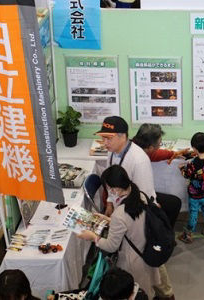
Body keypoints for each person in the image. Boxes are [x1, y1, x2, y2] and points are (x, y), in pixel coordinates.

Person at [96, 117, 175, 300]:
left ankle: (166, 294)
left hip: (138, 216)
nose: (104, 142)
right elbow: (110, 182)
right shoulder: (112, 152)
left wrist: (120, 217)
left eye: (108, 138)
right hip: (123, 213)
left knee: (149, 256)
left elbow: (143, 198)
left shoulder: (138, 160)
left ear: (122, 136)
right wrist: (109, 203)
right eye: (103, 138)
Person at [77, 165, 160, 297]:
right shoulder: (140, 195)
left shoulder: (120, 214)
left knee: (136, 293)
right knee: (146, 290)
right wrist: (109, 220)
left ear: (114, 188)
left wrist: (93, 237)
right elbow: (132, 223)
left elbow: (111, 246)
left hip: (132, 261)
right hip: (146, 250)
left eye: (108, 188)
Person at [132, 123, 188, 227]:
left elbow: (156, 154)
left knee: (174, 203)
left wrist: (173, 154)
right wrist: (152, 202)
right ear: (150, 147)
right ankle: (161, 237)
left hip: (139, 194)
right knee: (173, 204)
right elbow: (142, 187)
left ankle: (163, 234)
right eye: (159, 144)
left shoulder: (137, 146)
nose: (159, 147)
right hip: (133, 199)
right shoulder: (138, 160)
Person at [178, 132, 204, 243]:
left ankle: (188, 234)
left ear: (194, 148)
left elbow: (186, 174)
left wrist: (181, 168)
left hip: (195, 195)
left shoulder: (193, 164)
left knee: (193, 213)